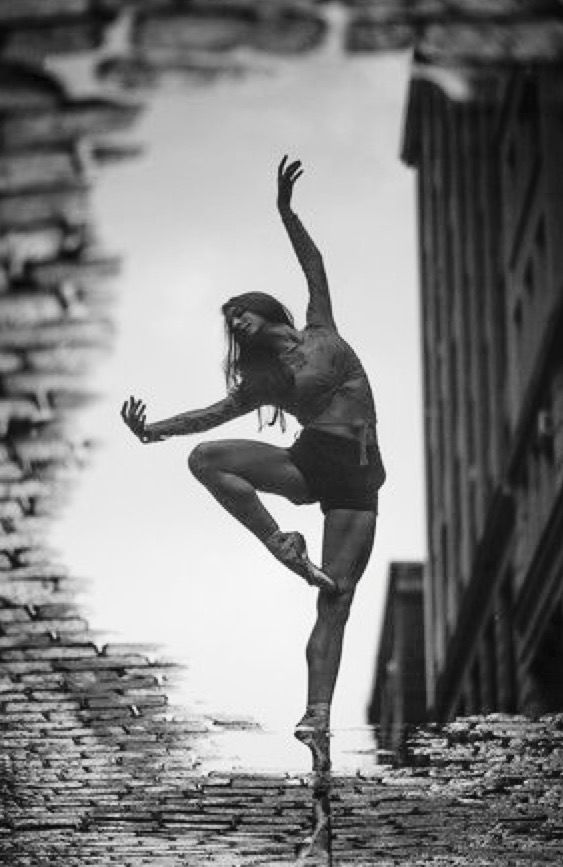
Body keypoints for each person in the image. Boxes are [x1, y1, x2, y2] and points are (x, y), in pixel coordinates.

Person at [121, 156, 385, 749]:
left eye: (239, 311)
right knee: (208, 458)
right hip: (311, 460)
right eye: (229, 320)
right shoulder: (264, 383)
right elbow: (208, 417)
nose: (235, 322)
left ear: (264, 309)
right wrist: (153, 430)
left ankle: (317, 715)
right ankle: (281, 544)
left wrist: (285, 213)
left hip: (359, 480)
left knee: (335, 599)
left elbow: (313, 263)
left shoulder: (321, 327)